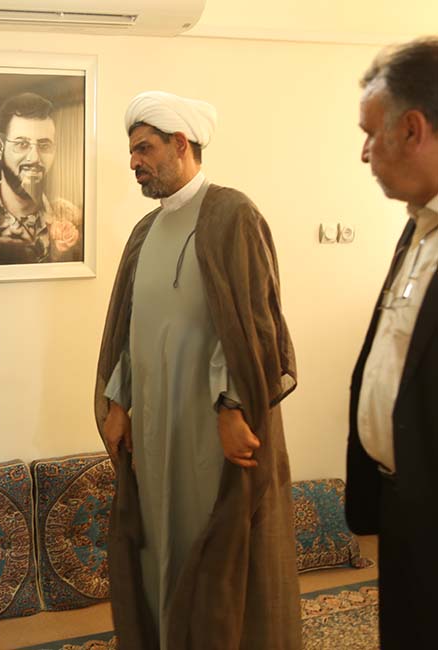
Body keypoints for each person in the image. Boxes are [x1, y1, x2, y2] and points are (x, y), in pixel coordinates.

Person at [94, 92, 300, 649]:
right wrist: (118, 402)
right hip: (155, 432)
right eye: (132, 151)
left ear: (180, 144)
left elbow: (255, 322)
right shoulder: (145, 231)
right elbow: (129, 330)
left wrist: (234, 408)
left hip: (209, 433)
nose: (133, 162)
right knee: (157, 547)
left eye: (144, 149)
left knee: (208, 548)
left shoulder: (231, 214)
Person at [348, 37, 438, 649]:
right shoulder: (417, 228)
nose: (364, 153)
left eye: (370, 133)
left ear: (412, 129)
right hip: (404, 506)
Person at [0, 92, 82, 265]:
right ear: (0, 148)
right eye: (22, 144)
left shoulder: (69, 217)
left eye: (44, 145)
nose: (34, 158)